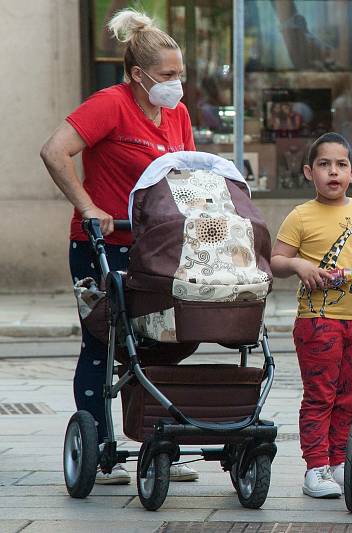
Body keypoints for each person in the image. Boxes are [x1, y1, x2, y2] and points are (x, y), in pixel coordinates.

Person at [39, 9, 199, 485]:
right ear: (138, 75)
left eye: (180, 74)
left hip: (157, 247)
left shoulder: (177, 112)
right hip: (101, 246)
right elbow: (54, 150)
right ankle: (101, 447)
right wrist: (88, 206)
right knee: (100, 344)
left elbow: (187, 172)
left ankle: (158, 441)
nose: (177, 83)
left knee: (161, 341)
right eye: (168, 75)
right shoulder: (110, 104)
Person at [270, 133, 352, 498]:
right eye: (323, 164)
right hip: (318, 321)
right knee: (320, 396)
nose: (333, 172)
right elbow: (276, 261)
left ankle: (340, 461)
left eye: (341, 165)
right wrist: (299, 264)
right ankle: (315, 468)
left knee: (349, 397)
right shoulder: (300, 216)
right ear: (308, 172)